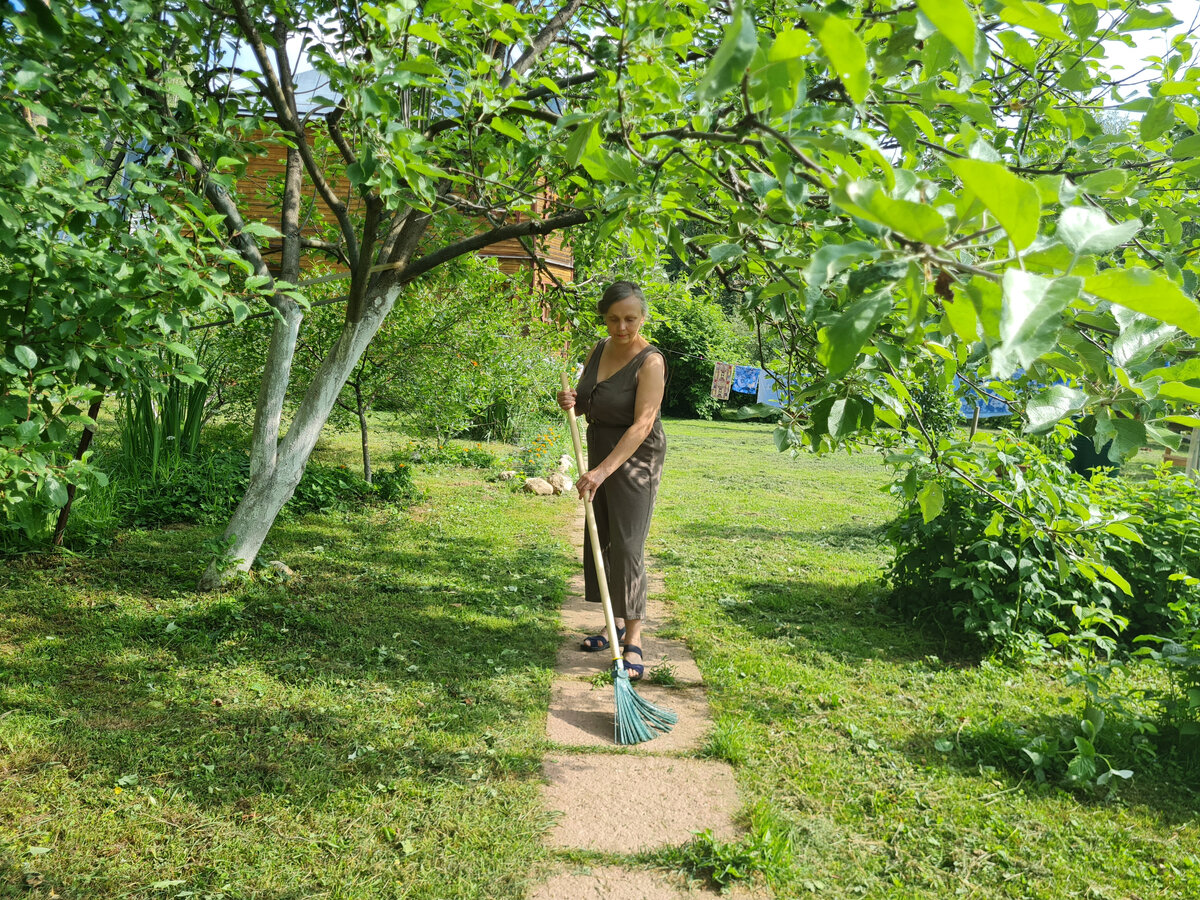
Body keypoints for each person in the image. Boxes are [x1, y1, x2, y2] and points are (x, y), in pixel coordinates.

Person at [556, 281, 667, 681]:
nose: (622, 327)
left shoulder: (651, 361)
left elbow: (642, 423)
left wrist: (602, 471)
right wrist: (572, 401)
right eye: (614, 318)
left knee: (628, 543)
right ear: (604, 317)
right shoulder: (599, 349)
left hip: (636, 458)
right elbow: (590, 402)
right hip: (600, 447)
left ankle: (634, 636)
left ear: (642, 317)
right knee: (601, 541)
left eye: (630, 319)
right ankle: (613, 623)